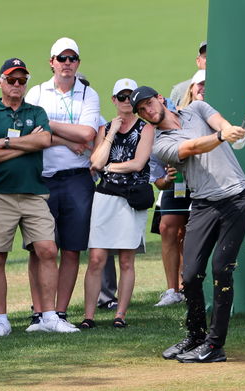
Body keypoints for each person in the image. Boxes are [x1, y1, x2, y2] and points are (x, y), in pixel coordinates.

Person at [131, 86, 245, 363]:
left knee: (222, 269)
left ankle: (214, 344)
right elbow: (192, 147)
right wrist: (222, 136)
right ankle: (196, 335)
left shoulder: (196, 108)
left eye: (149, 103)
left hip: (236, 198)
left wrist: (228, 128)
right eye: (142, 110)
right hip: (204, 204)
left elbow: (217, 120)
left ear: (160, 99)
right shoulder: (161, 144)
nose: (149, 111)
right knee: (190, 274)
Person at [0, 58, 76, 336]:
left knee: (47, 249)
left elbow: (43, 141)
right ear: (1, 82)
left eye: (21, 80)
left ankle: (49, 315)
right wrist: (25, 145)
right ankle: (2, 319)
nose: (17, 85)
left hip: (34, 193)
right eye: (11, 80)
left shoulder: (37, 111)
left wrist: (6, 143)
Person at [25, 37, 99, 323]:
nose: (67, 64)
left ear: (78, 63)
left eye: (72, 59)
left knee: (71, 248)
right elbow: (30, 133)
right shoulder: (37, 92)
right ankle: (38, 311)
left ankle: (60, 311)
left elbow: (87, 134)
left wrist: (48, 126)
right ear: (52, 62)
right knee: (41, 247)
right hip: (42, 178)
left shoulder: (87, 94)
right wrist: (65, 140)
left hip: (77, 178)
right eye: (62, 59)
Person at [79, 78, 153, 329]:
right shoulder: (106, 128)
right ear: (114, 100)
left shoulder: (145, 128)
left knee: (126, 260)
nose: (126, 101)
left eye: (130, 96)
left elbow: (138, 163)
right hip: (106, 196)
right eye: (121, 97)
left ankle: (120, 314)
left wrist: (110, 166)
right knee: (97, 257)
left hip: (131, 197)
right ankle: (88, 316)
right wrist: (111, 132)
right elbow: (95, 162)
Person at [154, 71, 206, 307]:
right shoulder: (179, 112)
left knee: (196, 230)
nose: (203, 89)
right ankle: (172, 289)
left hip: (205, 181)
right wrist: (164, 177)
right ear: (192, 88)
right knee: (168, 228)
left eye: (208, 84)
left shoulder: (209, 114)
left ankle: (192, 285)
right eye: (200, 85)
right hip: (176, 183)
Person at [170, 41, 207, 108]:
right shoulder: (180, 90)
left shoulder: (229, 87)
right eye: (206, 56)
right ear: (198, 61)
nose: (211, 60)